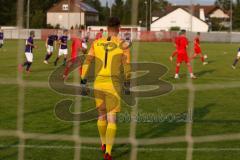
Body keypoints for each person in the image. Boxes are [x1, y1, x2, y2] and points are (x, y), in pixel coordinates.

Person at [80, 17, 131, 160]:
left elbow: (87, 60)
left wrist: (83, 79)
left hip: (98, 84)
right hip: (113, 85)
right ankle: (108, 152)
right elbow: (127, 65)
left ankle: (103, 143)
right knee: (112, 118)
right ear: (119, 27)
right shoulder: (123, 45)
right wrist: (127, 82)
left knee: (101, 115)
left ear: (107, 28)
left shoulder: (96, 43)